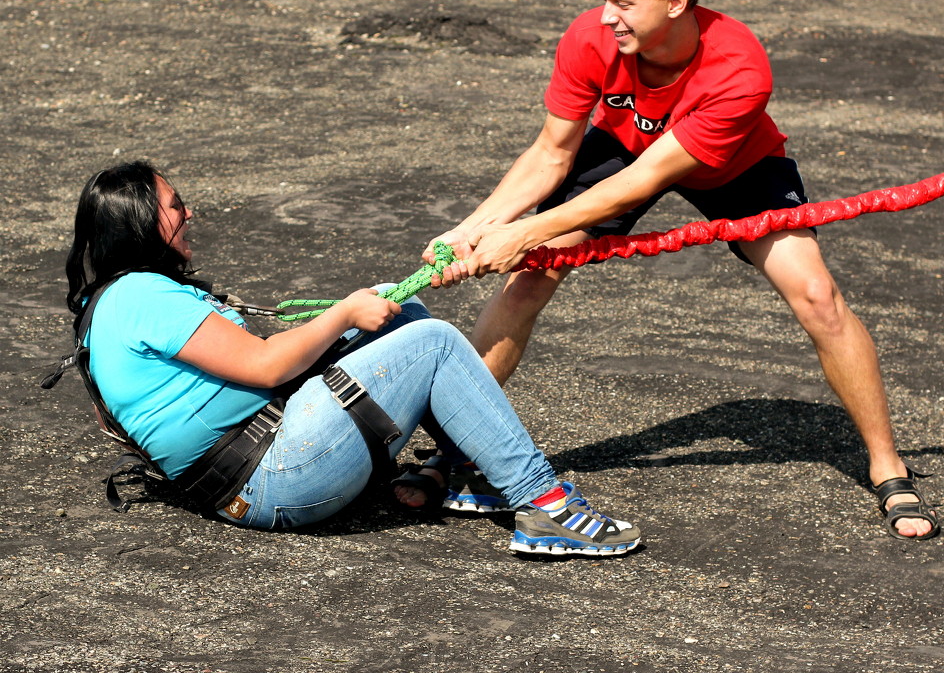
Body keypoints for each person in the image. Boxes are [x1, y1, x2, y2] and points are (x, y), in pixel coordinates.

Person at [424, 0, 939, 541]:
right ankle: (455, 449)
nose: (606, 16)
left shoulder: (739, 68)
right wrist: (476, 227)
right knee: (530, 279)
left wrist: (523, 234)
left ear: (676, 0)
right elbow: (550, 154)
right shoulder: (593, 38)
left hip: (735, 165)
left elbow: (646, 181)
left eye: (623, 3)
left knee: (818, 297)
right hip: (622, 147)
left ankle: (888, 468)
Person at [61, 161, 641, 557]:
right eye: (175, 207)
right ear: (139, 223)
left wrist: (356, 311)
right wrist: (340, 314)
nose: (190, 216)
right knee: (432, 342)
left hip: (263, 463)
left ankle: (475, 472)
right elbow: (265, 367)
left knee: (404, 314)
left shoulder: (112, 301)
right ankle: (545, 507)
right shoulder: (141, 295)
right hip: (273, 478)